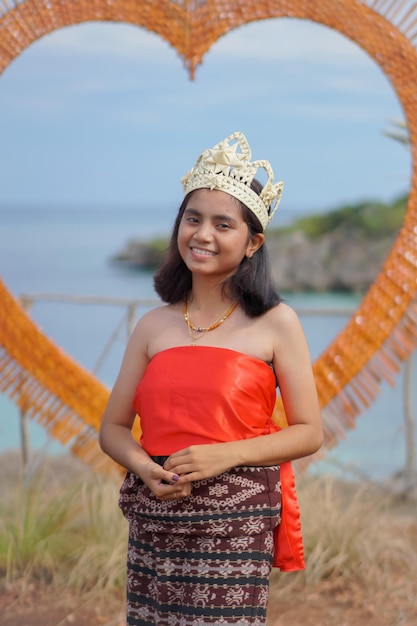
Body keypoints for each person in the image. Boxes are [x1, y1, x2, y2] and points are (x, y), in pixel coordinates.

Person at [99, 131, 322, 626]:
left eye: (224, 224)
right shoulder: (153, 325)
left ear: (252, 243)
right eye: (192, 219)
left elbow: (309, 431)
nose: (202, 234)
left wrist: (227, 454)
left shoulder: (276, 323)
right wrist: (144, 468)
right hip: (155, 515)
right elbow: (112, 428)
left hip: (236, 524)